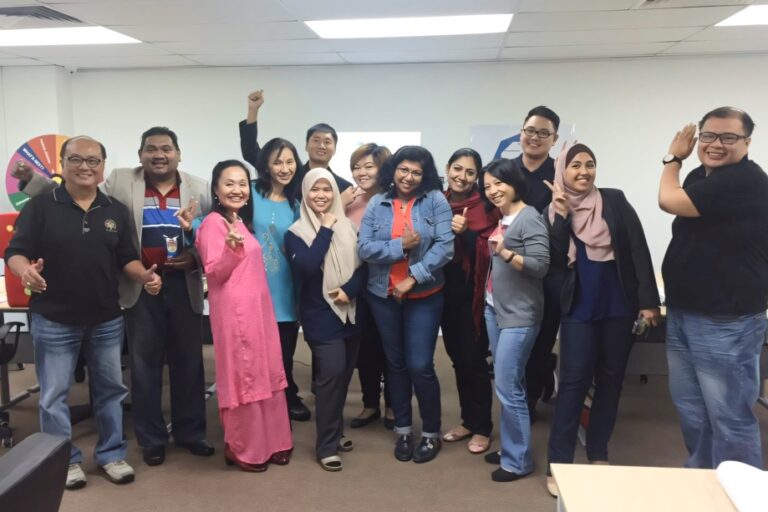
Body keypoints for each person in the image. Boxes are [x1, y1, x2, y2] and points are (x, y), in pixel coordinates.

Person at [16, 127, 214, 467]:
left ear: (179, 154)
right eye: (151, 148)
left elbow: (211, 232)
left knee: (189, 363)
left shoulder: (200, 188)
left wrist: (195, 258)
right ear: (140, 155)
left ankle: (191, 433)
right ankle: (152, 439)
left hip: (184, 285)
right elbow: (74, 190)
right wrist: (32, 180)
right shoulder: (121, 181)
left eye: (167, 148)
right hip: (138, 285)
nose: (159, 154)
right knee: (144, 366)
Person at [5, 136, 163, 489]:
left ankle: (111, 454)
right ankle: (62, 460)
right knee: (53, 395)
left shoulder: (114, 209)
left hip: (105, 317)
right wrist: (25, 270)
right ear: (62, 164)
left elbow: (126, 258)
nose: (85, 167)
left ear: (103, 167)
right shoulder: (40, 206)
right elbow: (15, 252)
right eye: (76, 159)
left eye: (93, 161)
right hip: (53, 317)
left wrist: (144, 276)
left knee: (111, 390)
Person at [545, 142, 660, 496]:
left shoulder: (615, 200)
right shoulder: (552, 209)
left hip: (619, 303)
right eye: (575, 165)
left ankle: (598, 452)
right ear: (562, 170)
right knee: (573, 383)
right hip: (579, 305)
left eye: (590, 164)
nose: (584, 171)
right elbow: (554, 260)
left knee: (611, 380)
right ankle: (559, 463)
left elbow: (638, 249)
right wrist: (562, 215)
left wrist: (648, 302)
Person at [659, 107, 768, 470]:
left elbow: (668, 200)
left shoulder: (745, 180)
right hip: (684, 311)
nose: (716, 144)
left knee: (729, 416)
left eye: (728, 137)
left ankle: (740, 491)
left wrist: (672, 158)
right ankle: (705, 478)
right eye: (708, 136)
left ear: (747, 142)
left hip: (725, 320)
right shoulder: (698, 177)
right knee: (692, 409)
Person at [194, 160, 293, 472]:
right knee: (245, 376)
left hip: (258, 311)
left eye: (241, 184)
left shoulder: (239, 221)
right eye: (229, 183)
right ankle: (242, 447)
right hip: (236, 314)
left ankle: (273, 441)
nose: (236, 190)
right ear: (216, 189)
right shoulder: (213, 224)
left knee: (266, 370)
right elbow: (214, 271)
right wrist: (230, 249)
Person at [358, 145, 454, 463]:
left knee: (420, 365)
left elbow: (445, 247)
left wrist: (414, 277)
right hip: (383, 295)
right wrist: (400, 245)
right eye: (403, 169)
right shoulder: (378, 202)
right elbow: (365, 248)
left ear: (425, 175)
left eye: (416, 172)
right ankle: (402, 429)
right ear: (393, 169)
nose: (408, 177)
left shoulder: (435, 200)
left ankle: (431, 433)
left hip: (424, 296)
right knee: (395, 364)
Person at [285, 168, 366, 471]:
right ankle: (327, 447)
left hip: (351, 313)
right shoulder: (295, 233)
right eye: (314, 190)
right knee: (330, 377)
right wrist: (326, 229)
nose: (321, 195)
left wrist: (349, 290)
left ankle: (336, 431)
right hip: (320, 316)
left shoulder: (350, 227)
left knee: (342, 377)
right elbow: (307, 267)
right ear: (305, 194)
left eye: (327, 189)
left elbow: (364, 267)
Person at [480, 158, 550, 482]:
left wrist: (506, 253)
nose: (493, 190)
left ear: (514, 183)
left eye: (499, 183)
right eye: (487, 186)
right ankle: (511, 447)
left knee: (509, 388)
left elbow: (540, 266)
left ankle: (518, 461)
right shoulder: (503, 217)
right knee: (508, 384)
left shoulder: (529, 217)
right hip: (495, 308)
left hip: (519, 315)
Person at [440, 148, 498, 454]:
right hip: (442, 293)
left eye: (470, 172)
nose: (462, 177)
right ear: (447, 168)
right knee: (457, 359)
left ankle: (483, 427)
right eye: (457, 169)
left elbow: (490, 250)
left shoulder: (486, 207)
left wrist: (465, 234)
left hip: (472, 297)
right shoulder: (438, 201)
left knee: (474, 361)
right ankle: (467, 420)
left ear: (477, 177)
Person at [249, 136, 310, 421]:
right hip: (251, 284)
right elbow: (220, 219)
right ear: (266, 165)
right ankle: (258, 400)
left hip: (285, 286)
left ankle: (287, 395)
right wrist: (192, 226)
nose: (285, 168)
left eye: (290, 162)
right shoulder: (250, 192)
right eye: (278, 162)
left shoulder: (296, 202)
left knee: (284, 350)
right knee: (254, 351)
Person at [515, 105, 563, 419]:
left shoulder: (563, 173)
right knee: (514, 342)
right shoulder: (502, 171)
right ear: (521, 132)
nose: (535, 137)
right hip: (509, 269)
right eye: (530, 130)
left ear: (554, 139)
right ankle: (543, 372)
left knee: (542, 339)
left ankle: (528, 403)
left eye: (543, 133)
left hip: (549, 271)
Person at [345, 143, 395, 430]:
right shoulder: (349, 200)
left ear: (383, 168)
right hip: (355, 284)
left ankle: (393, 405)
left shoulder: (393, 201)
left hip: (385, 283)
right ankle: (370, 404)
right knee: (365, 348)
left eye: (368, 166)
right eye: (356, 167)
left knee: (390, 347)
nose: (361, 172)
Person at [239, 89, 354, 199]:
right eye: (316, 140)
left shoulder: (344, 187)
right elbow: (250, 152)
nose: (321, 146)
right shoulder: (289, 174)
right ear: (306, 146)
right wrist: (253, 110)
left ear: (335, 149)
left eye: (327, 142)